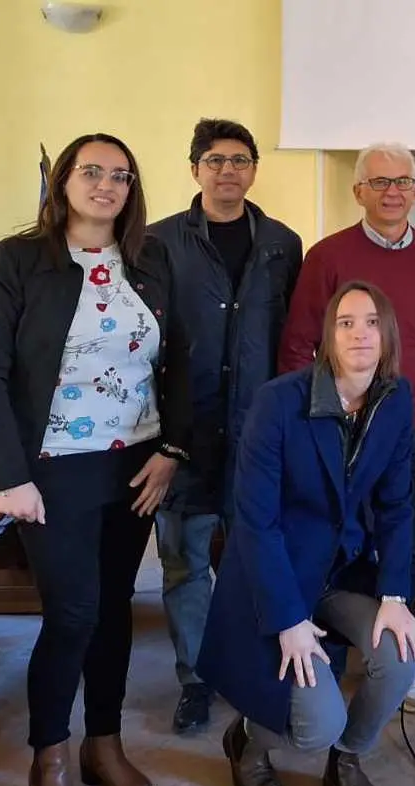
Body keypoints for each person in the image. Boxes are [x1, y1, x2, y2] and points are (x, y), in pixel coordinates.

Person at [0, 133, 193, 786]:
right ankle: (51, 756)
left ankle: (106, 742)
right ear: (64, 179)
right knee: (71, 613)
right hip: (51, 470)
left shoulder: (150, 260)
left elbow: (181, 359)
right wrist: (9, 474)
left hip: (135, 465)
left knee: (114, 609)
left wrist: (174, 450)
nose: (106, 184)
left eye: (120, 175)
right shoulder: (18, 261)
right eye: (91, 171)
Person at [199, 282, 415, 786]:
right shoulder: (280, 402)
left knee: (399, 658)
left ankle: (345, 762)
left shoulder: (395, 400)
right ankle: (249, 738)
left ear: (387, 334)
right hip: (276, 577)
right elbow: (256, 521)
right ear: (327, 337)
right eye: (346, 322)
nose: (360, 333)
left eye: (371, 322)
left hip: (341, 572)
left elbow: (395, 507)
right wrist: (289, 620)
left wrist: (394, 594)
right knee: (314, 724)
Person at [279, 142, 415, 713]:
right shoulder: (327, 256)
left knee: (403, 541)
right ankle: (328, 655)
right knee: (335, 539)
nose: (392, 191)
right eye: (379, 182)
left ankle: (398, 658)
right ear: (358, 192)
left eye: (402, 181)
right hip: (338, 428)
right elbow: (297, 345)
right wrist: (308, 422)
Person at [149, 117, 304, 736]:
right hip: (182, 433)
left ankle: (252, 664)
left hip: (259, 434)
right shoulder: (157, 243)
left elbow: (294, 340)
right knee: (184, 561)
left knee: (258, 555)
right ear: (194, 169)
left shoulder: (282, 243)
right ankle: (196, 678)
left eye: (240, 160)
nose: (228, 171)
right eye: (215, 160)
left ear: (254, 169)